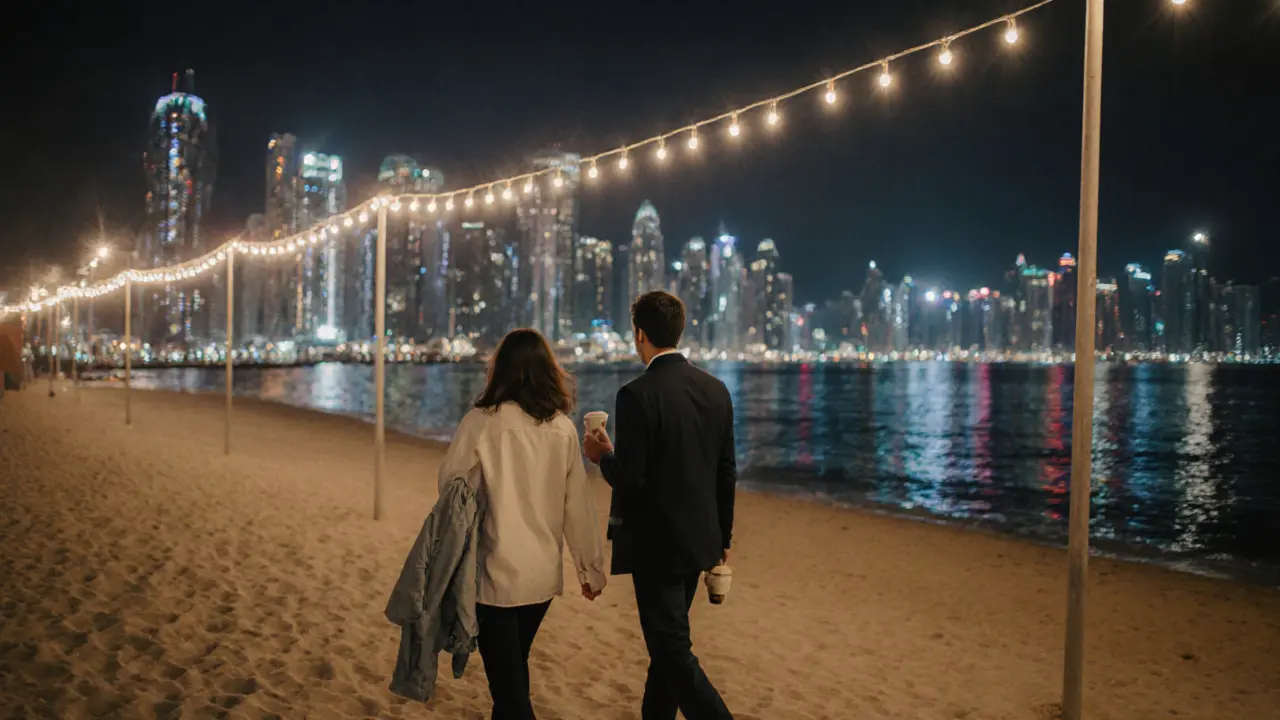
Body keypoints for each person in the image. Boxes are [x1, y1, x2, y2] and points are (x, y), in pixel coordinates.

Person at [438, 328, 607, 720]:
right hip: (541, 578)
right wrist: (589, 569)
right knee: (512, 677)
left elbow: (449, 486)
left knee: (510, 693)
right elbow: (577, 506)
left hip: (495, 574)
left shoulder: (481, 422)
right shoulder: (562, 429)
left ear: (501, 371)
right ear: (548, 371)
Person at [584, 291, 736, 720]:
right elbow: (727, 471)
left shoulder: (637, 394)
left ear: (640, 335)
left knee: (670, 649)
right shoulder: (716, 390)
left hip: (657, 546)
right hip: (700, 540)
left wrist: (601, 457)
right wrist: (724, 536)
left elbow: (632, 479)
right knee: (664, 650)